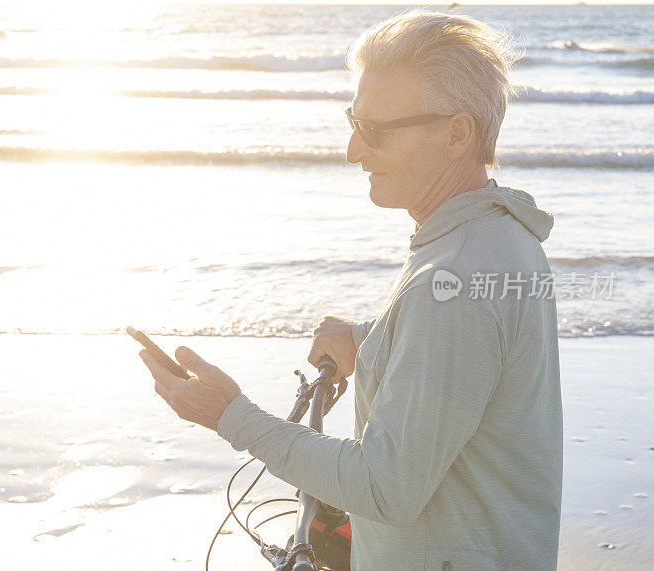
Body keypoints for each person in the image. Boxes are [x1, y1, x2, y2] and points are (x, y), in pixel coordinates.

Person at [139, 9, 562, 570]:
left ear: (457, 133)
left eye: (375, 130)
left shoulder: (452, 278)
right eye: (352, 121)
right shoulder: (499, 234)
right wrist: (370, 339)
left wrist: (230, 415)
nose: (352, 151)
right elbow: (483, 361)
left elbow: (386, 488)